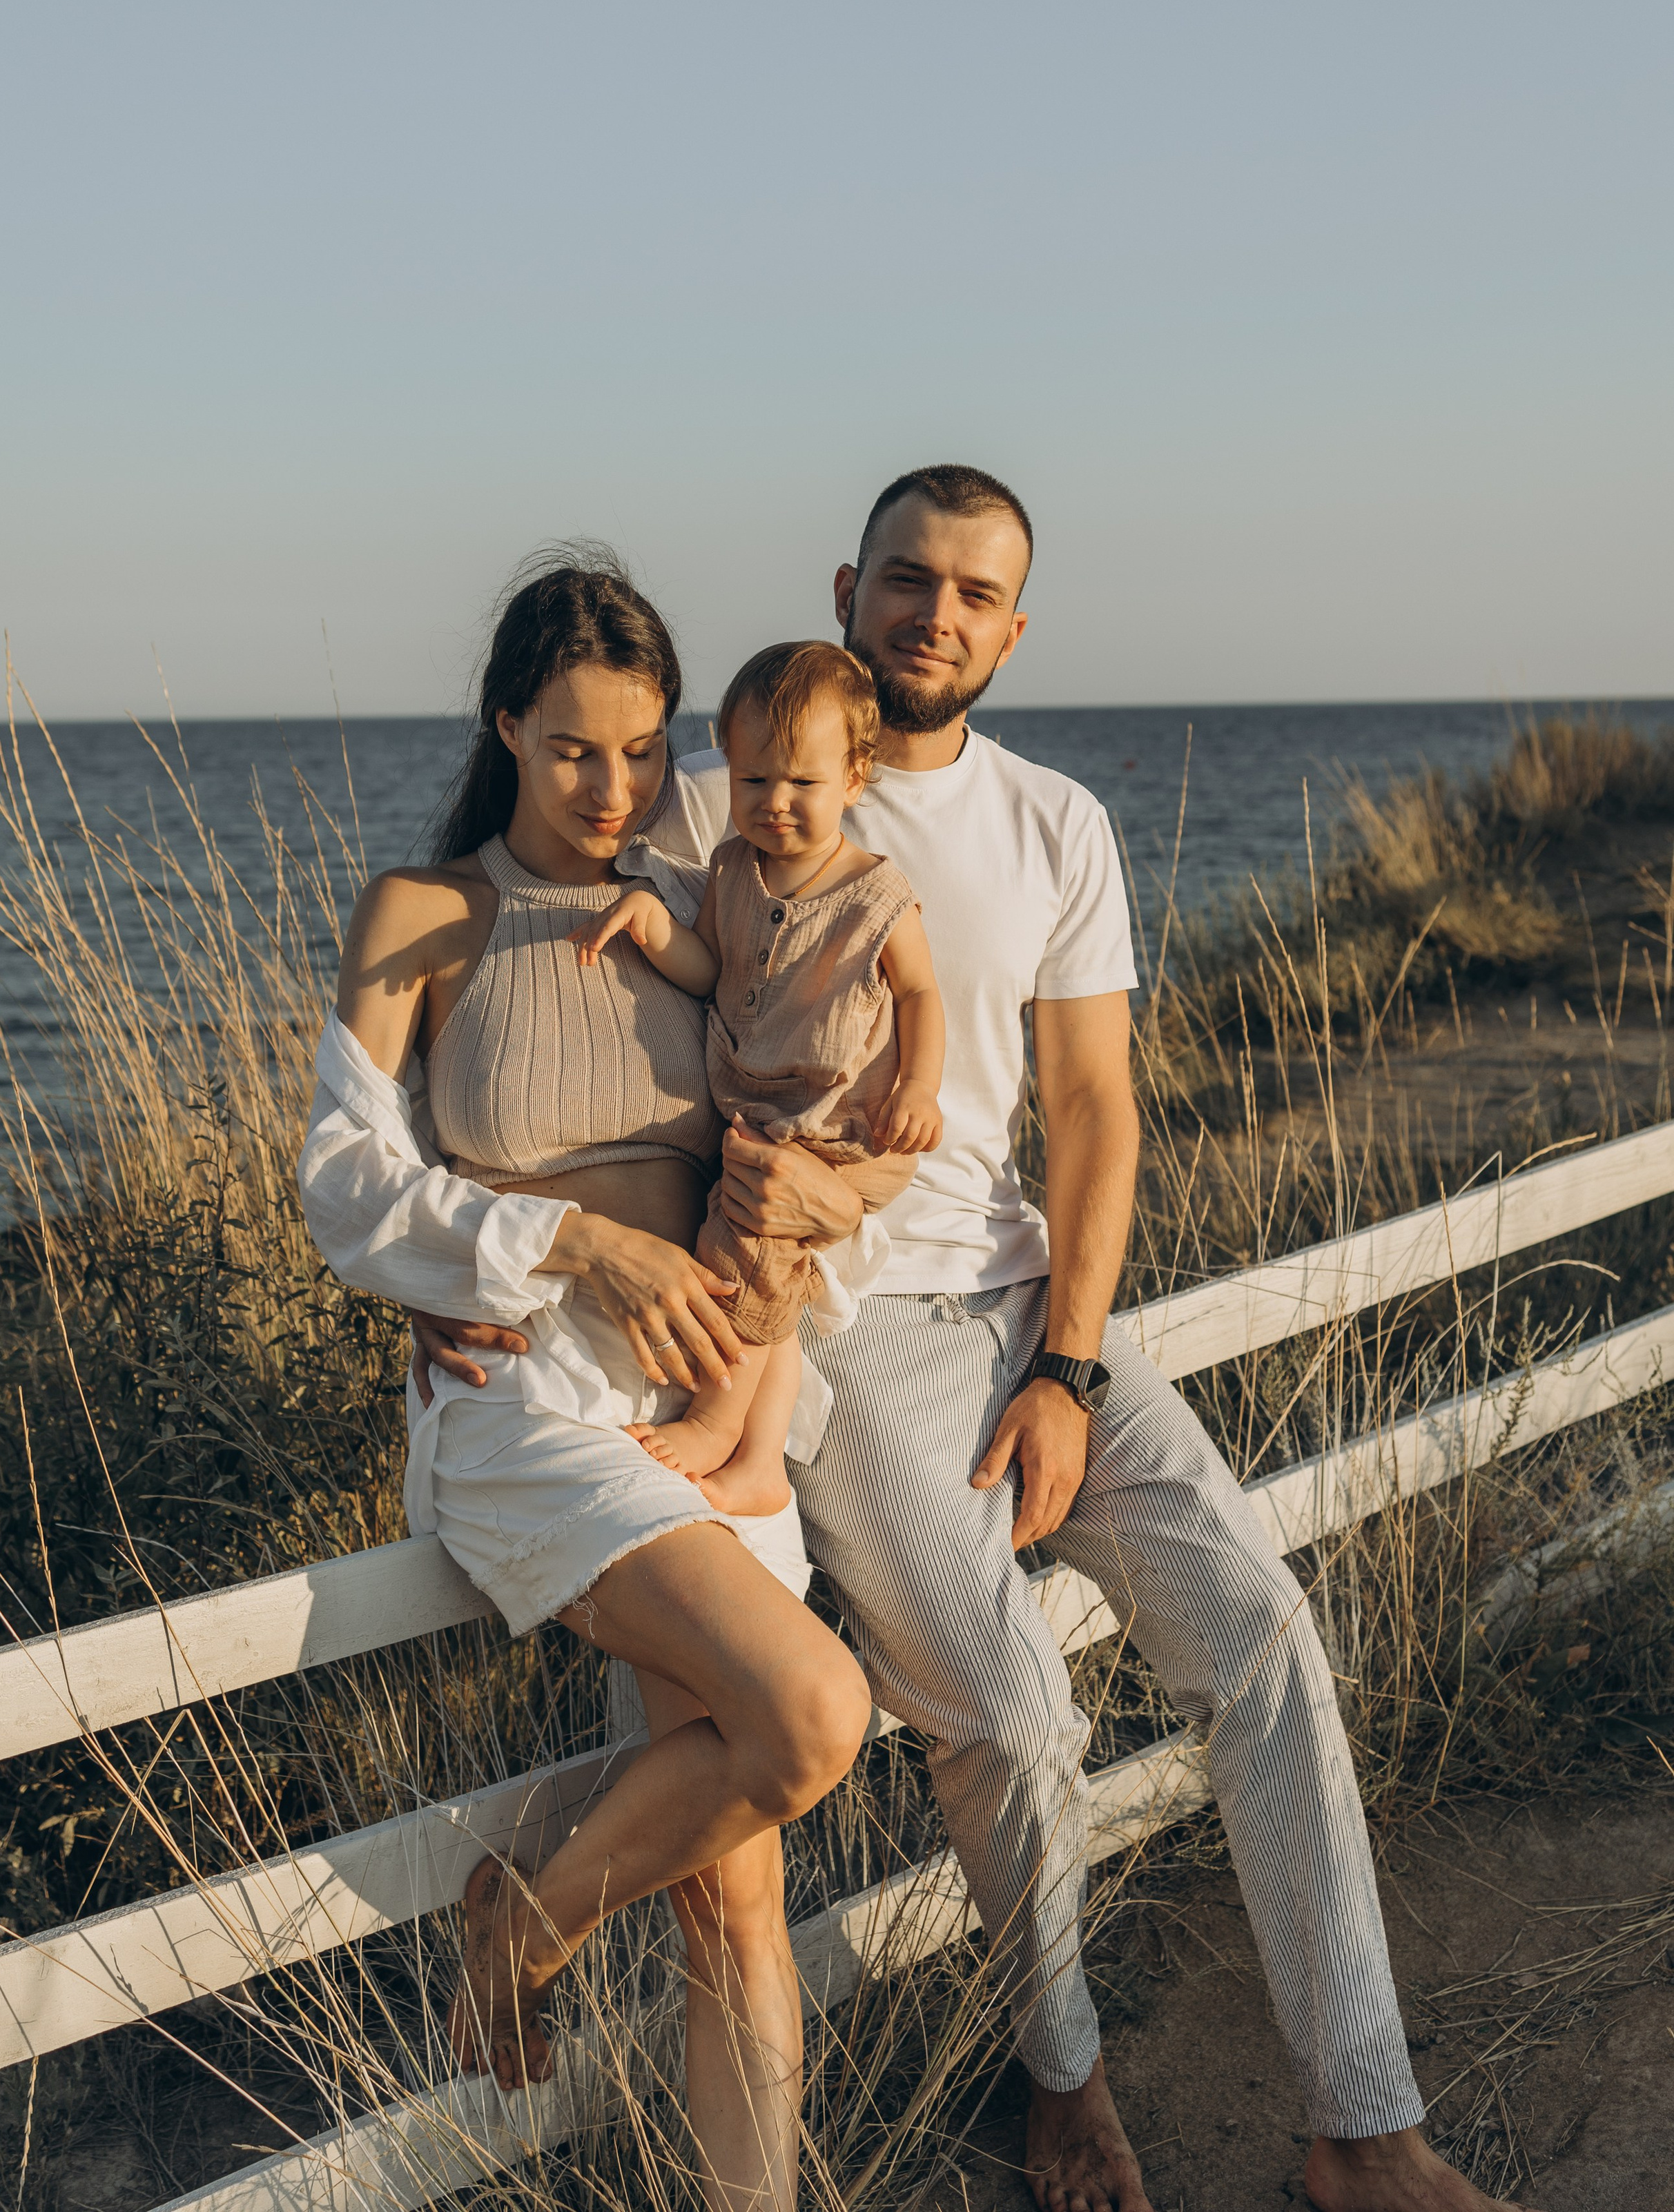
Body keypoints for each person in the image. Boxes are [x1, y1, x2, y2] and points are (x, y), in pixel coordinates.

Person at [637, 466, 1539, 2212]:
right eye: (906, 579)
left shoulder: (1053, 821)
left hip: (1027, 1306)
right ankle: (1062, 2079)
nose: (934, 614)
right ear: (845, 585)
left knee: (1262, 1632)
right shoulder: (712, 802)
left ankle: (1361, 2126)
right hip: (836, 1330)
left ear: (1014, 626)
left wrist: (1064, 1364)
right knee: (1005, 1706)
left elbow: (1093, 1112)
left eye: (974, 593)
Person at [298, 553, 873, 2212]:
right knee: (812, 1706)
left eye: (639, 749)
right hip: (531, 1407)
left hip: (704, 1395)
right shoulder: (428, 911)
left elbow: (820, 1123)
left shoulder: (707, 905)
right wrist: (565, 1244)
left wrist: (788, 1272)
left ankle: (538, 1931)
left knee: (737, 1894)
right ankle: (526, 1915)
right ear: (504, 724)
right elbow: (342, 1184)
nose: (614, 788)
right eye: (571, 749)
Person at [574, 636, 944, 1515]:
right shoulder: (732, 870)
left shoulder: (874, 893)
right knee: (770, 1271)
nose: (775, 804)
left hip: (849, 1126)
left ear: (855, 778)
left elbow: (923, 992)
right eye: (754, 782)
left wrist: (919, 1089)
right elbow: (713, 971)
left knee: (747, 1255)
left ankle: (716, 1426)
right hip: (769, 1118)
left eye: (802, 785)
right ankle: (763, 1463)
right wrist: (652, 924)